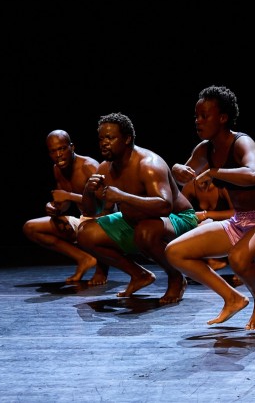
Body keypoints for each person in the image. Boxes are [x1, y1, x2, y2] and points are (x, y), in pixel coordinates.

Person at [166, 85, 255, 331]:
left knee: (238, 257)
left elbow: (253, 174)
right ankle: (232, 298)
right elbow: (183, 178)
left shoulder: (242, 142)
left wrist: (214, 172)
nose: (198, 121)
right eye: (196, 116)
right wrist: (176, 169)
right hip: (239, 222)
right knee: (175, 252)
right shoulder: (204, 149)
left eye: (204, 116)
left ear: (223, 118)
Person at [75, 112, 199, 304]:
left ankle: (176, 277)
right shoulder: (105, 169)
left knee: (145, 231)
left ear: (127, 139)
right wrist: (88, 192)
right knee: (85, 232)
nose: (104, 143)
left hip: (179, 219)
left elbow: (165, 206)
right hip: (136, 222)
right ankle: (139, 274)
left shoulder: (148, 164)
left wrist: (122, 196)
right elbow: (91, 212)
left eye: (110, 138)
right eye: (101, 139)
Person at [22, 130, 107, 284]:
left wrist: (69, 196)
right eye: (53, 151)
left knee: (90, 227)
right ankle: (83, 259)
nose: (58, 155)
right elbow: (64, 202)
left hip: (105, 225)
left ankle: (102, 268)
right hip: (84, 223)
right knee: (31, 227)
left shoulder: (88, 166)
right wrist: (54, 207)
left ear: (72, 147)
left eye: (62, 149)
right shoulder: (57, 169)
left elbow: (107, 203)